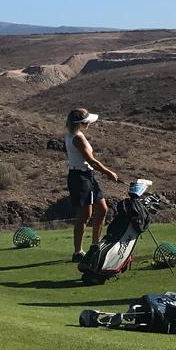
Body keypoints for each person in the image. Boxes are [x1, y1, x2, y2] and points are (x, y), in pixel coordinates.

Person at [64, 108, 119, 263]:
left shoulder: (75, 135)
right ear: (82, 123)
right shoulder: (77, 138)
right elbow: (92, 161)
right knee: (84, 216)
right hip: (80, 178)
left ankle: (95, 246)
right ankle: (78, 252)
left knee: (102, 209)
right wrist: (109, 172)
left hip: (86, 176)